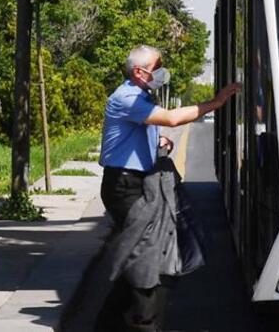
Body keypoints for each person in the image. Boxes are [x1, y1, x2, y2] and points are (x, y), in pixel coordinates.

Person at [96, 45, 238, 332]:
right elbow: (173, 118)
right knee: (146, 255)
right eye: (157, 66)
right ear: (139, 72)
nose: (161, 71)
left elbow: (144, 131)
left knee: (142, 252)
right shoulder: (128, 98)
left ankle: (110, 323)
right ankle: (144, 322)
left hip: (135, 183)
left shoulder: (139, 96)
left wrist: (158, 142)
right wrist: (216, 102)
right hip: (125, 187)